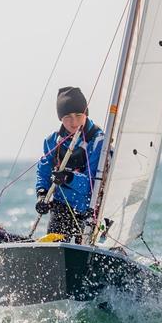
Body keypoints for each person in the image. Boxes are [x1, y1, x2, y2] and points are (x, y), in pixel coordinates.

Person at [35, 87, 104, 241]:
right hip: (61, 208)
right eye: (67, 117)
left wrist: (68, 177)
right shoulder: (52, 141)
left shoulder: (99, 142)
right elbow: (44, 172)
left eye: (78, 115)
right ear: (60, 118)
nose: (74, 122)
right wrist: (41, 194)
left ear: (86, 113)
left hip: (89, 210)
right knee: (53, 250)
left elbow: (92, 185)